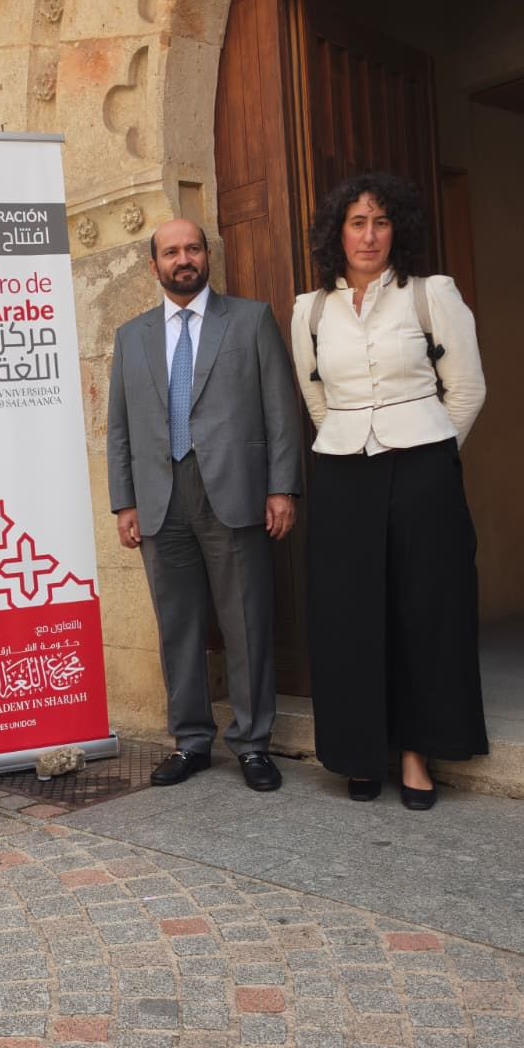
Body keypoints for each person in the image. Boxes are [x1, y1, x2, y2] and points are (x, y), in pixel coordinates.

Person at [290, 171, 488, 810]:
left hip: (423, 468)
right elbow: (316, 397)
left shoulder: (432, 295)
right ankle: (360, 752)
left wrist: (432, 451)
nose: (369, 235)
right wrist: (351, 441)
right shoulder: (310, 310)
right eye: (357, 223)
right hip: (343, 473)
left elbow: (467, 389)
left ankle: (416, 754)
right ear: (338, 233)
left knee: (424, 613)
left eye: (380, 222)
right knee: (348, 616)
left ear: (396, 229)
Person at [106, 218, 302, 792]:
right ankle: (190, 740)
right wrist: (124, 501)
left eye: (192, 248)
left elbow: (281, 410)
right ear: (154, 265)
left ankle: (253, 743)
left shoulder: (250, 319)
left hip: (235, 491)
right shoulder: (131, 336)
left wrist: (282, 487)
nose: (183, 259)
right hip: (159, 498)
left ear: (206, 256)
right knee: (177, 626)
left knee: (246, 621)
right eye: (171, 252)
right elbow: (119, 427)